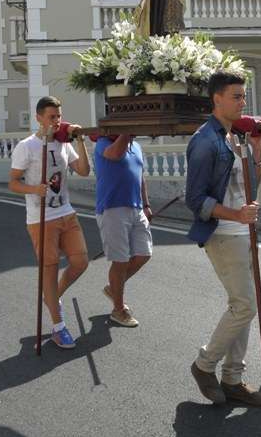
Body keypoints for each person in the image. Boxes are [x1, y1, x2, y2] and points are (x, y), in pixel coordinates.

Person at [185, 71, 261, 406]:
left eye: (244, 95)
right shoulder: (204, 140)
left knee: (242, 306)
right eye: (236, 96)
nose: (243, 102)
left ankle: (233, 379)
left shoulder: (236, 138)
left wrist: (256, 155)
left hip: (243, 231)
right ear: (216, 98)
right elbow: (195, 199)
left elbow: (249, 187)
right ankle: (204, 365)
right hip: (223, 233)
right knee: (245, 306)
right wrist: (236, 215)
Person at [9, 96, 91, 350]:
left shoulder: (64, 144)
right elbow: (13, 182)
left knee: (80, 261)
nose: (57, 121)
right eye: (51, 117)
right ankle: (58, 326)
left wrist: (80, 140)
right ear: (39, 118)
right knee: (50, 268)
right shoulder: (27, 146)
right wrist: (34, 189)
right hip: (41, 217)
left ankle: (53, 296)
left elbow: (84, 170)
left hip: (66, 212)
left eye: (59, 116)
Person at [94, 134, 153, 328]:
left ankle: (113, 287)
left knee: (144, 254)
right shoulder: (103, 143)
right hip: (112, 208)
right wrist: (126, 133)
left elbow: (140, 176)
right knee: (120, 261)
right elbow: (115, 155)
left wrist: (146, 204)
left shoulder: (136, 146)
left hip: (136, 208)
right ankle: (118, 310)